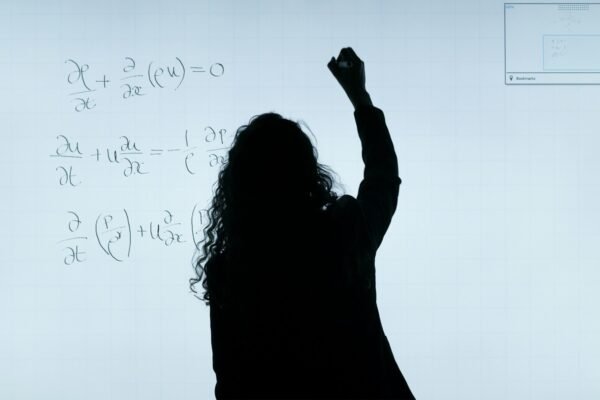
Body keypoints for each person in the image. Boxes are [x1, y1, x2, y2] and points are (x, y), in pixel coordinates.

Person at [190, 47, 415, 399]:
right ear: (308, 175)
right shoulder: (343, 234)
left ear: (238, 188)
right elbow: (383, 179)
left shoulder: (229, 272)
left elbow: (231, 383)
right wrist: (359, 97)